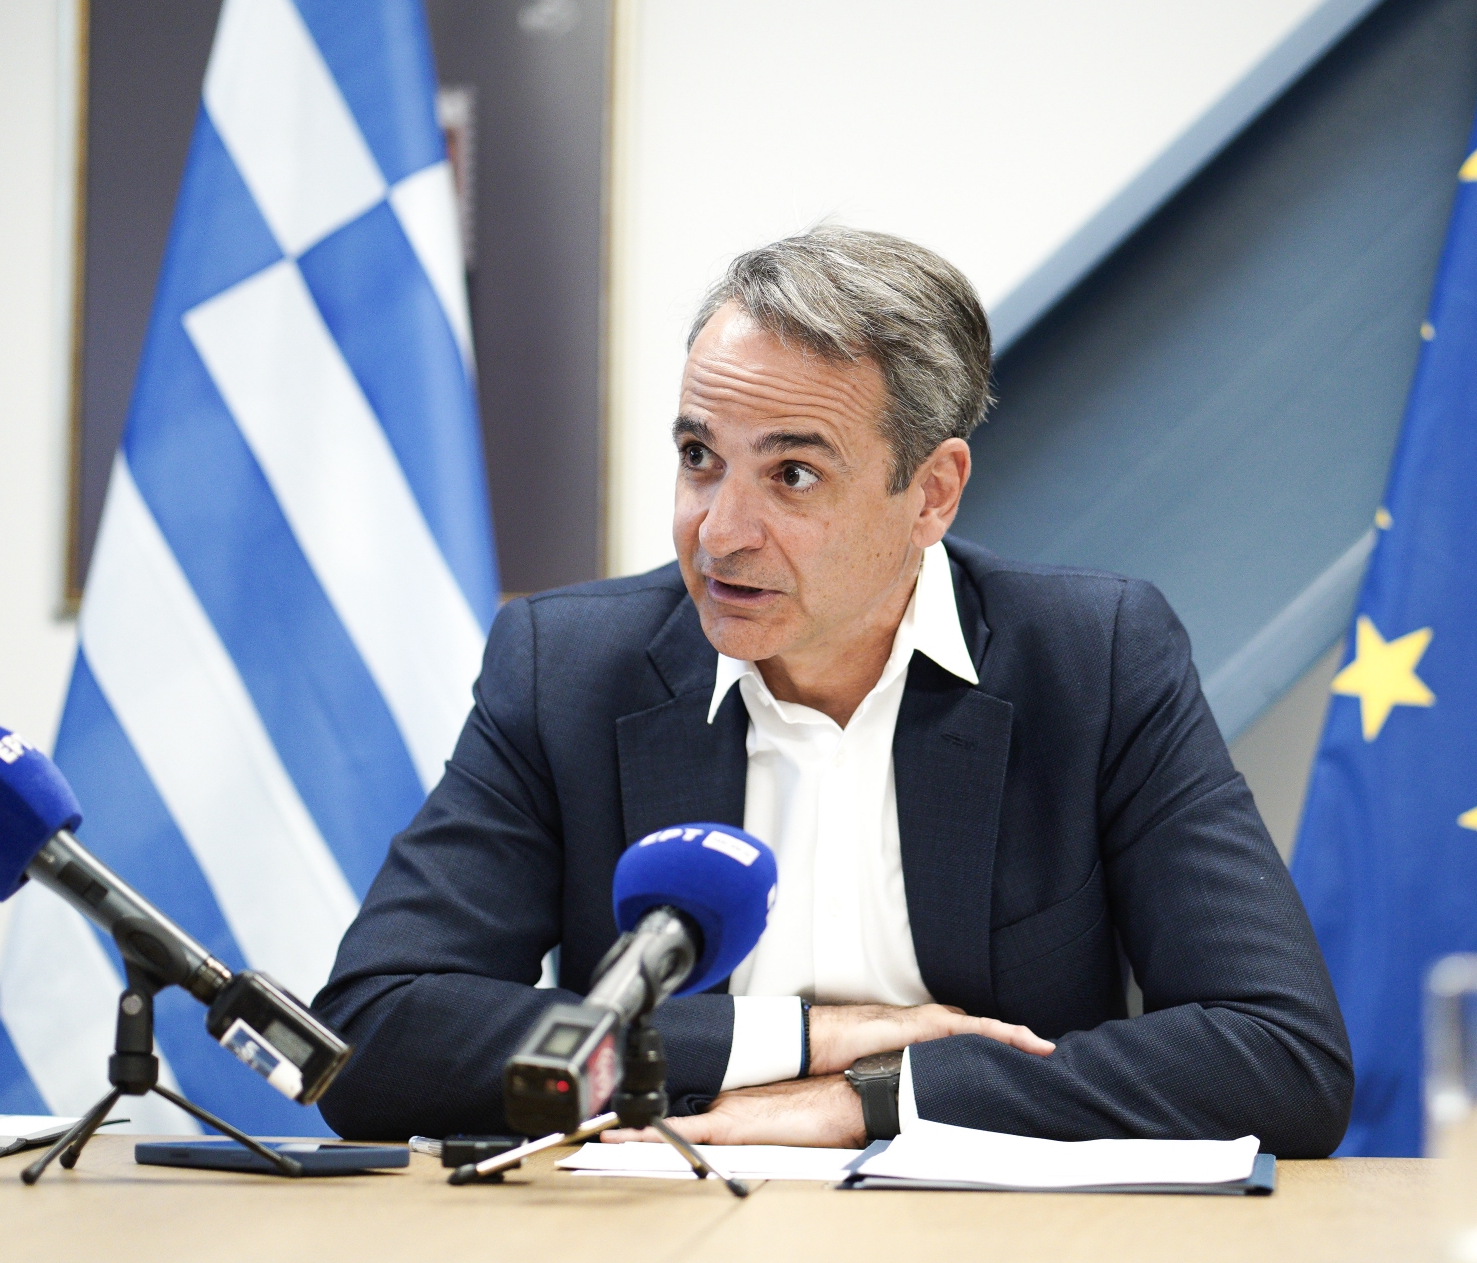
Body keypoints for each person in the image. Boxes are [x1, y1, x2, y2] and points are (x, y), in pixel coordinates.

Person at [314, 226, 1352, 1153]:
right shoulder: (567, 670)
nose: (720, 532)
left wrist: (875, 1098)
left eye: (793, 475)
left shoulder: (1093, 662)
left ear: (932, 493)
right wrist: (799, 1040)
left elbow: (1282, 1057)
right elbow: (370, 1036)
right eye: (698, 457)